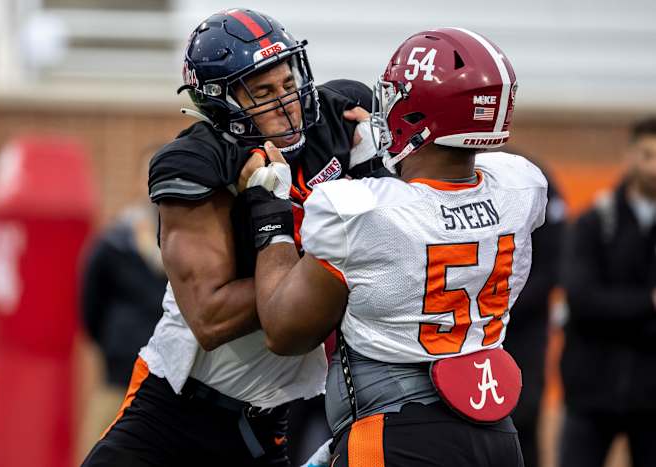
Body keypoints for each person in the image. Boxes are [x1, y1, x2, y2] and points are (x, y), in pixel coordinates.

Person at [82, 8, 383, 467]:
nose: (286, 103)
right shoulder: (197, 163)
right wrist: (314, 236)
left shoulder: (340, 120)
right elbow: (210, 317)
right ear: (222, 105)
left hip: (268, 421)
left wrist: (381, 178)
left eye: (287, 84)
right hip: (174, 413)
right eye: (262, 93)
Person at [240, 28, 547, 466]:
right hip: (496, 435)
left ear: (420, 115)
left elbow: (284, 331)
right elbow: (434, 206)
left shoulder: (359, 210)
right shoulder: (520, 185)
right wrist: (380, 172)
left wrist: (270, 215)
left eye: (395, 96)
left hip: (396, 432)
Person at [559, 117, 656, 467]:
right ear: (630, 156)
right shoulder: (593, 223)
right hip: (589, 393)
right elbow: (581, 300)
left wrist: (613, 309)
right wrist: (647, 302)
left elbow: (596, 305)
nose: (653, 167)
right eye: (647, 155)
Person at [78, 148, 167, 456]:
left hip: (169, 386)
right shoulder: (114, 242)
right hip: (119, 378)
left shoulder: (192, 241)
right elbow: (91, 307)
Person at [501, 153, 566, 467]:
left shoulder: (532, 178)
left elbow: (555, 261)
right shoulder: (457, 171)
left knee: (523, 416)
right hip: (471, 328)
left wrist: (501, 304)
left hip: (522, 327)